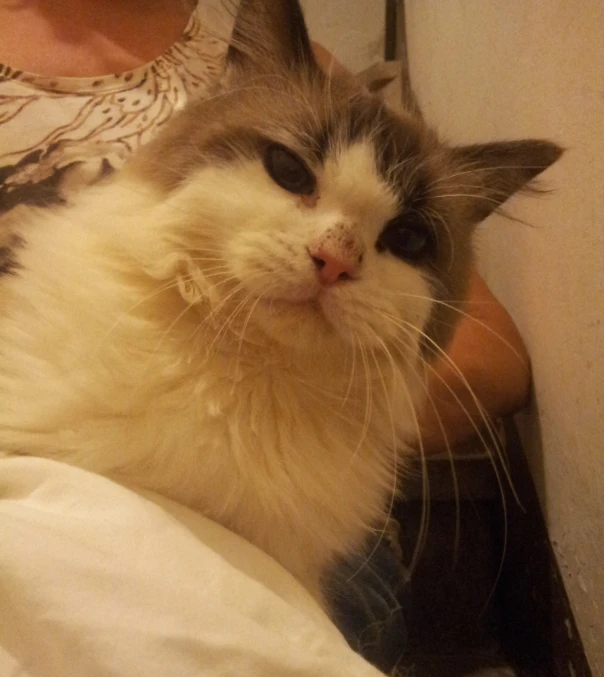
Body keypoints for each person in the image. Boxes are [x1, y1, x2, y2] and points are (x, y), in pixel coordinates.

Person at [0, 0, 530, 670]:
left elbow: (494, 354)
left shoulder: (255, 40)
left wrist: (316, 412)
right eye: (292, 175)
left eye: (405, 237)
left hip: (255, 551)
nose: (335, 254)